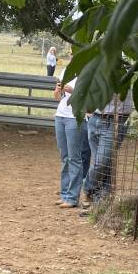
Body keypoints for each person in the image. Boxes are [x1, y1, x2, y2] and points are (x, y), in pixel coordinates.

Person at [84, 92, 134, 204]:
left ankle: (88, 188)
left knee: (101, 162)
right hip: (95, 117)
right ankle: (100, 202)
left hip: (115, 120)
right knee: (105, 163)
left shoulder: (125, 74)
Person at [53, 73, 87, 208]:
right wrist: (58, 90)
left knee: (74, 158)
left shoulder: (87, 73)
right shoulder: (66, 71)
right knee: (65, 157)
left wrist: (73, 91)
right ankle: (64, 194)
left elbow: (89, 98)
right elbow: (57, 98)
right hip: (60, 116)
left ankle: (72, 197)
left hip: (75, 117)